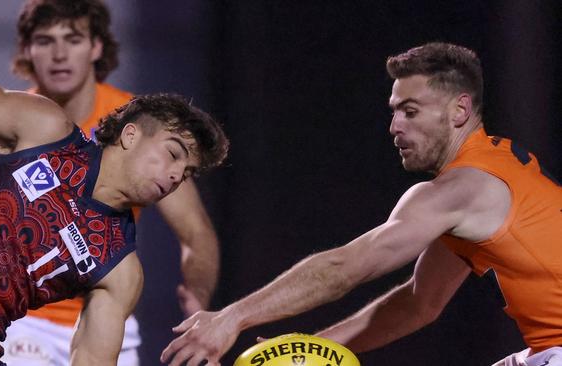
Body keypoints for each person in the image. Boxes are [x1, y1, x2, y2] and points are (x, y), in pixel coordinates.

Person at [160, 42, 562, 366]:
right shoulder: (490, 171)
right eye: (394, 111)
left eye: (410, 111)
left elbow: (346, 267)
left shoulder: (461, 188)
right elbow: (418, 303)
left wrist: (232, 317)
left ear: (459, 110)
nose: (394, 126)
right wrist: (311, 351)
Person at [0, 1, 222, 364]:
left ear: (97, 47)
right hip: (21, 320)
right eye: (45, 41)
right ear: (27, 51)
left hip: (107, 314)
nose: (60, 54)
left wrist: (198, 302)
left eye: (74, 39)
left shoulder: (140, 130)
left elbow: (195, 233)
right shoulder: (6, 121)